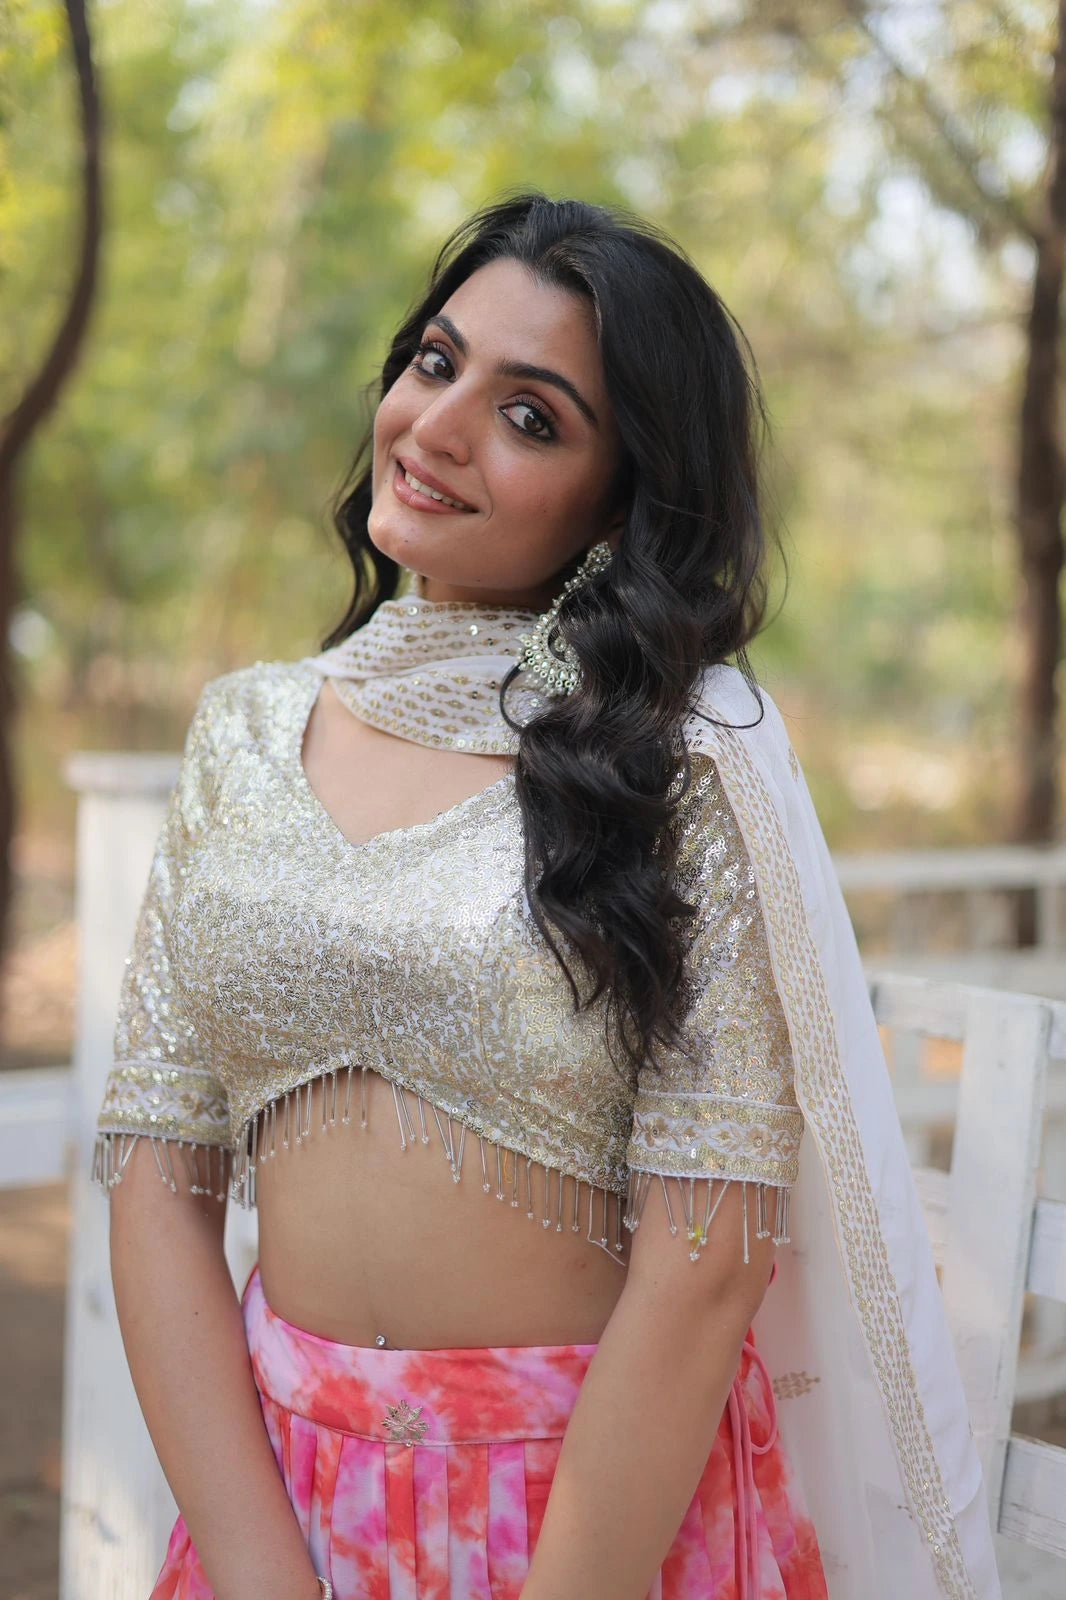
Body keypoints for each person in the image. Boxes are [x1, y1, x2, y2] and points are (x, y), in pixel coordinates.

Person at [92, 193, 1001, 1600]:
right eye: (435, 361)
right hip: (279, 1514)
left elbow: (706, 1265)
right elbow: (157, 1184)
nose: (437, 427)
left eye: (533, 418)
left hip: (597, 1531)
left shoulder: (679, 762)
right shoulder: (245, 732)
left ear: (623, 503)